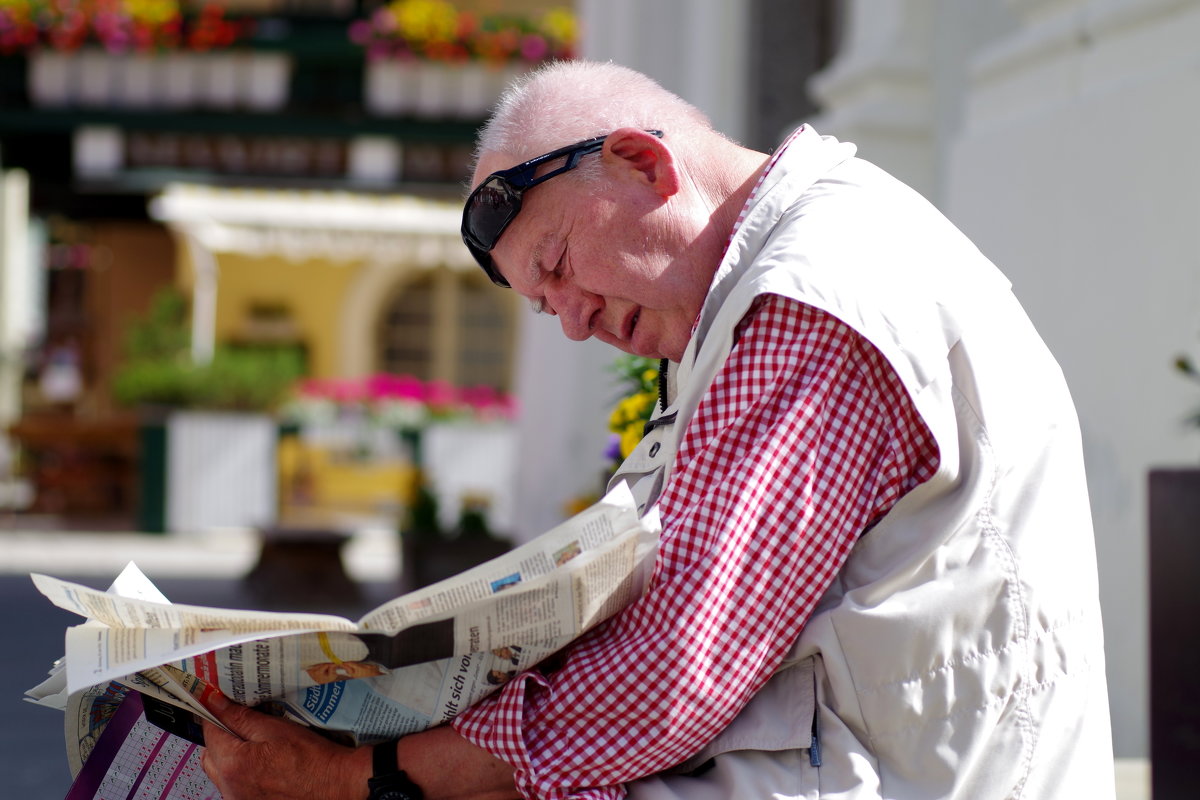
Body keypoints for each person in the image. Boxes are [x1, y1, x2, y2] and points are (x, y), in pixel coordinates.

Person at [199, 61, 1114, 800]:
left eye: (559, 266)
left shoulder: (812, 295)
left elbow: (675, 674)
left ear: (645, 160)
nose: (571, 320)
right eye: (543, 302)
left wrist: (367, 778)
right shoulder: (799, 262)